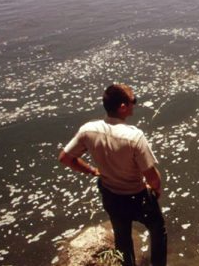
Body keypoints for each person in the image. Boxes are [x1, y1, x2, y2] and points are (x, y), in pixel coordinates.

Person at [58, 84, 167, 266]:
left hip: (111, 195)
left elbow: (65, 158)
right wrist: (156, 190)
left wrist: (92, 171)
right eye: (133, 101)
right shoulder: (134, 137)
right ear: (122, 107)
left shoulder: (89, 130)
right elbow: (152, 177)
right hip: (137, 196)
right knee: (158, 230)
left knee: (122, 238)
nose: (135, 104)